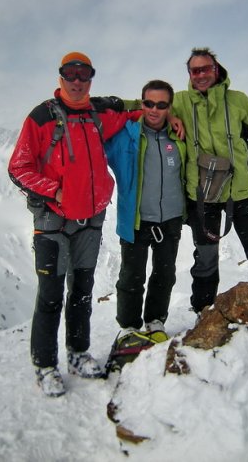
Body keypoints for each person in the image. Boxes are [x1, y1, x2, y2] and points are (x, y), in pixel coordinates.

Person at [7, 51, 141, 397]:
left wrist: (170, 115)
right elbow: (18, 167)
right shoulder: (41, 118)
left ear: (91, 78)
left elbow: (138, 110)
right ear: (61, 78)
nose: (78, 81)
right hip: (53, 221)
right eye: (71, 74)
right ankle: (45, 365)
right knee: (51, 295)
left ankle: (78, 354)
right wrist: (56, 190)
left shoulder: (98, 115)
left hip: (91, 220)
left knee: (82, 292)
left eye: (84, 74)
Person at [171, 47, 248, 313]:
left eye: (206, 69)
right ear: (189, 73)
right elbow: (149, 108)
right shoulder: (179, 102)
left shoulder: (238, 101)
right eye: (195, 70)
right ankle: (204, 316)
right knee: (206, 258)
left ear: (216, 69)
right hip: (201, 196)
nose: (201, 75)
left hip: (241, 191)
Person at [104, 80, 187, 343]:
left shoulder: (178, 137)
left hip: (170, 220)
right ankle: (129, 327)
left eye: (161, 105)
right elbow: (98, 117)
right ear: (141, 104)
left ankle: (155, 322)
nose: (154, 109)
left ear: (169, 108)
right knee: (131, 277)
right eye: (149, 103)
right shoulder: (125, 136)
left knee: (164, 274)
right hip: (135, 219)